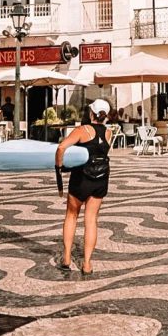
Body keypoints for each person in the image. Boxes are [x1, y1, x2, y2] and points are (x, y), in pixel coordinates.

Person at [56, 98, 113, 275]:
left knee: (71, 215)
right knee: (91, 220)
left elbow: (61, 148)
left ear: (91, 113)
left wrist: (59, 167)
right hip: (101, 178)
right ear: (105, 116)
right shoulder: (108, 132)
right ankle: (87, 263)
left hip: (81, 178)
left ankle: (66, 257)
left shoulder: (82, 130)